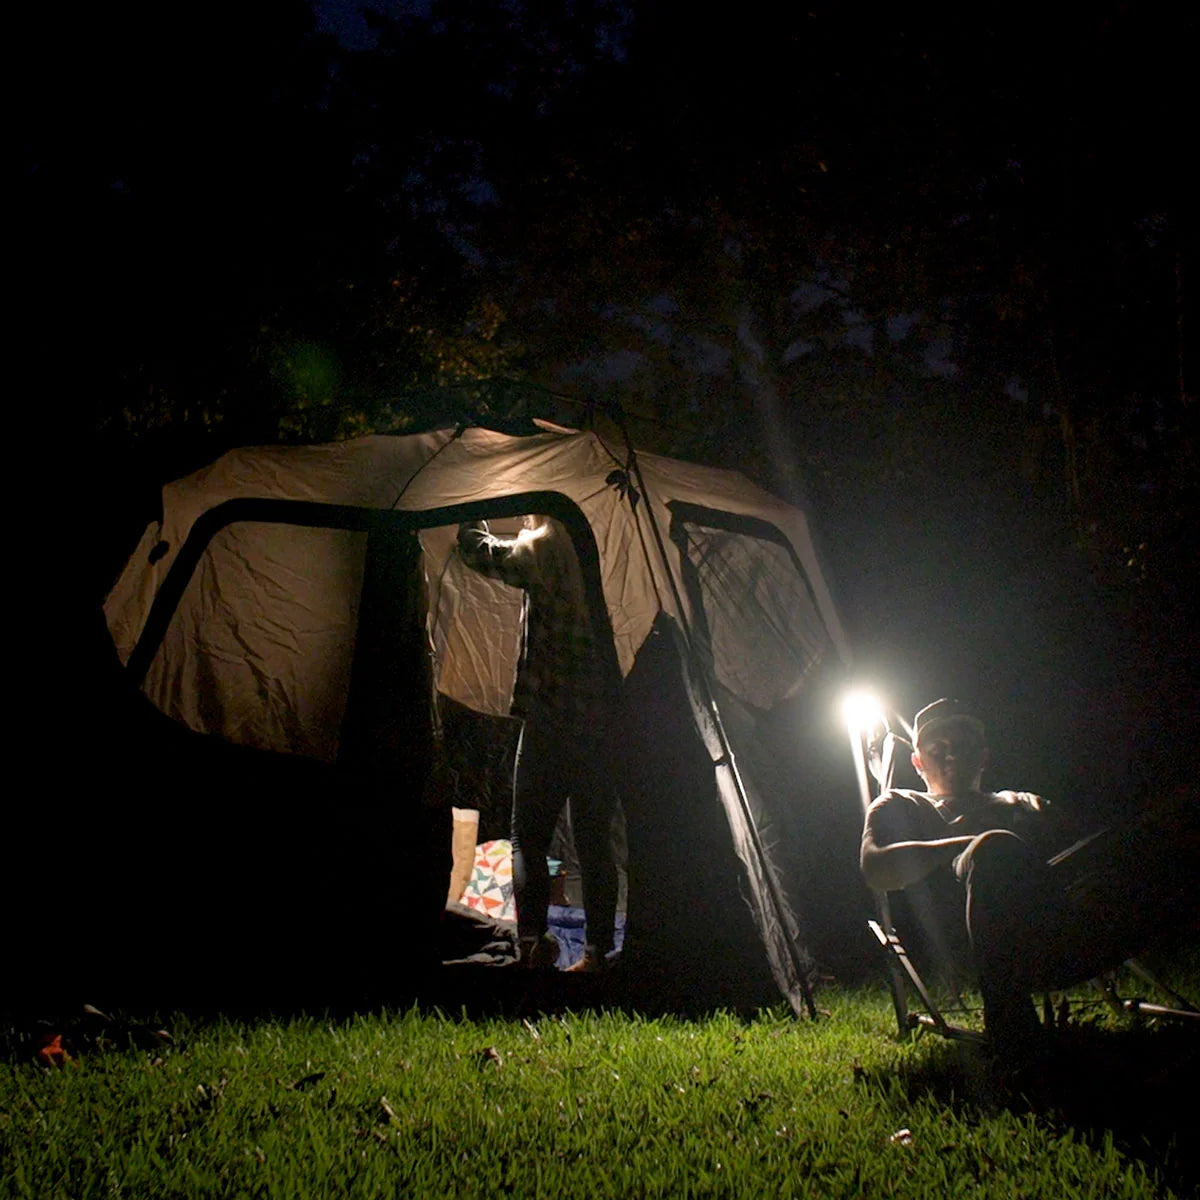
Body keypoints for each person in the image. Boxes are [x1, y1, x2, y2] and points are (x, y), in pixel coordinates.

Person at [859, 698, 1184, 1061]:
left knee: (1168, 821)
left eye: (961, 745)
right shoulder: (902, 804)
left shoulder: (1023, 801)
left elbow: (1089, 847)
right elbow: (875, 868)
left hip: (1077, 918)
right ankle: (1012, 1034)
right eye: (938, 748)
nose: (950, 755)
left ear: (983, 756)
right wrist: (968, 843)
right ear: (917, 762)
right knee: (996, 849)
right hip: (990, 940)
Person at [457, 514, 621, 972]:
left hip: (549, 719)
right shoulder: (597, 553)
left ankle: (533, 944)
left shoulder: (540, 552)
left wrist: (471, 515)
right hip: (597, 722)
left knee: (527, 838)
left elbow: (480, 553)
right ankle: (598, 953)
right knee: (594, 840)